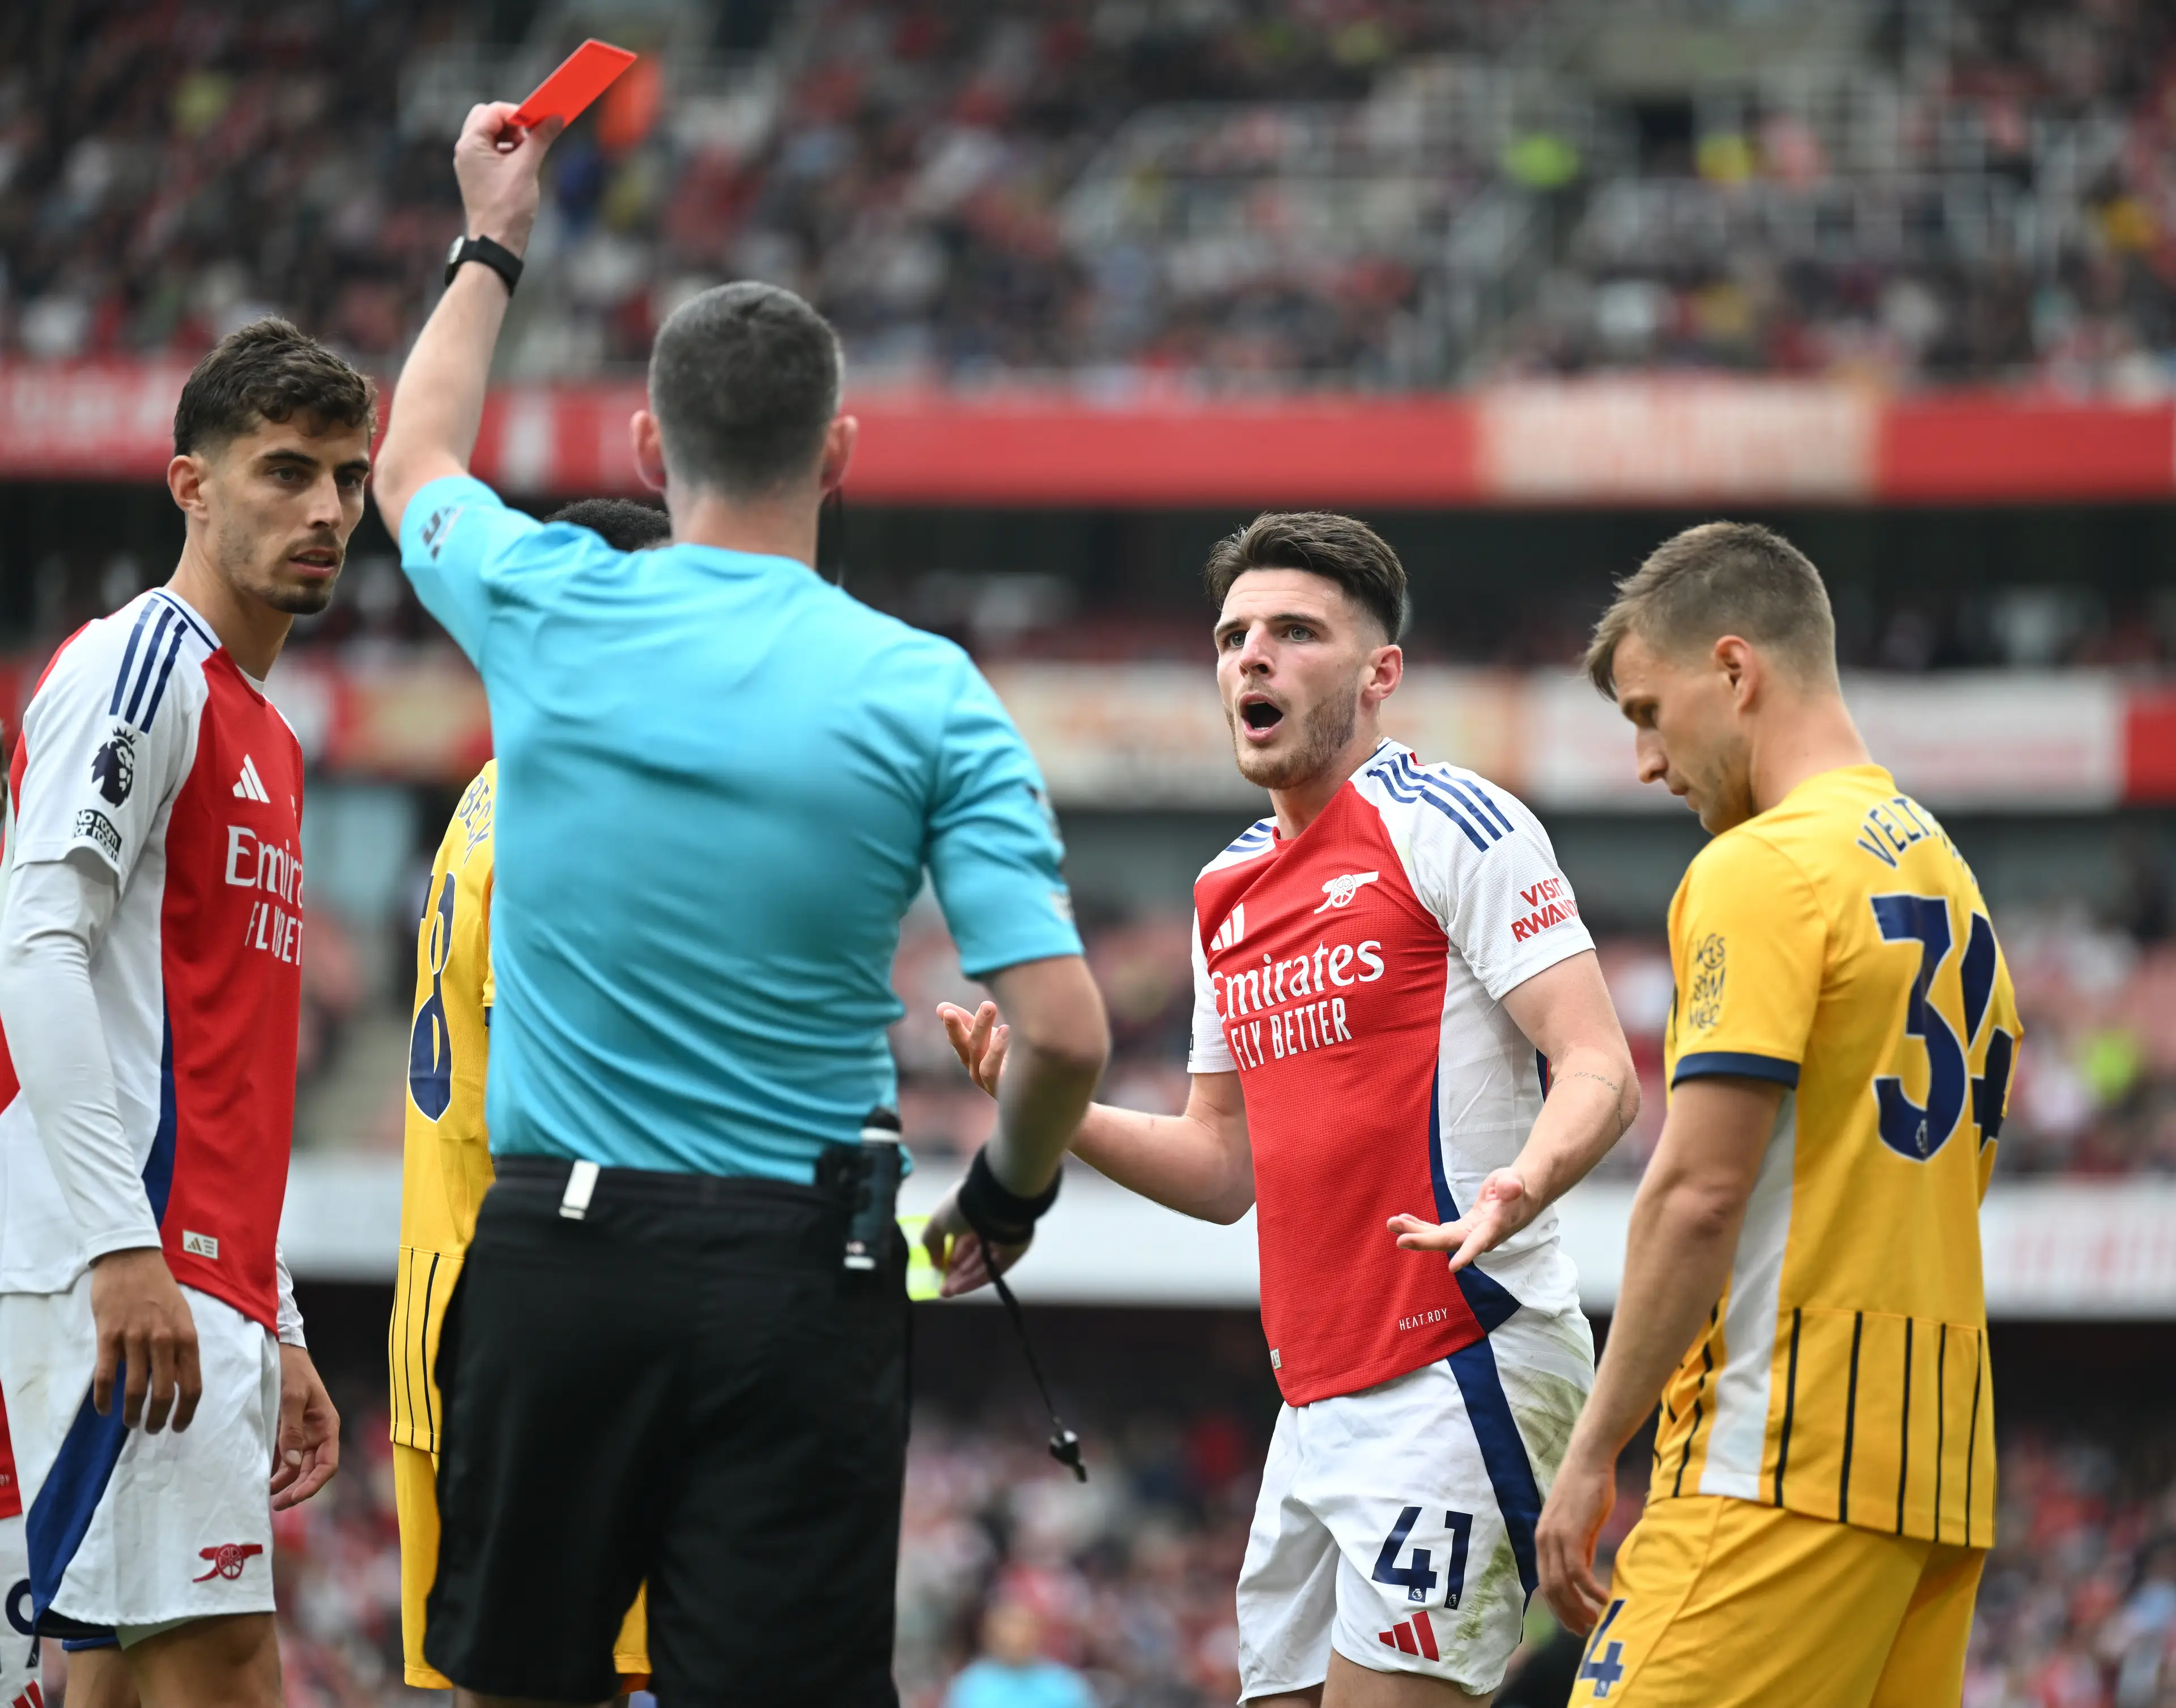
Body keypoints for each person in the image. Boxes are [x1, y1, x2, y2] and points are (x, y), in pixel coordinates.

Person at [371, 103, 1108, 1706]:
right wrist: (1004, 1201)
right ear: (841, 451)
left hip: (560, 1254)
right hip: (809, 1271)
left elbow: (411, 455)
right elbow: (1060, 1026)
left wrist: (494, 233)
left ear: (646, 451)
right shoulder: (932, 692)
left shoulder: (551, 605)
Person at [941, 512, 1640, 1705]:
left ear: (1381, 675)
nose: (1251, 657)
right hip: (1314, 1396)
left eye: (1295, 632)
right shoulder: (1226, 887)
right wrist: (1042, 1102)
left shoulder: (1452, 823)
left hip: (1461, 1356)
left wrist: (1520, 1182)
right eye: (1233, 635)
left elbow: (1601, 1069)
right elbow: (1221, 1167)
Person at [1541, 523, 2021, 1707]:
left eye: (1649, 711)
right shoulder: (1946, 876)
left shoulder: (1764, 866)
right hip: (1936, 1478)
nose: (1648, 760)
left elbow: (1700, 1194)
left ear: (1737, 670)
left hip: (1779, 1460)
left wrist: (1593, 1450)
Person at [0, 318, 356, 1706]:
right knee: (217, 1675)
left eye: (345, 475)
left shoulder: (264, 720)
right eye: (283, 471)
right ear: (188, 485)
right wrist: (121, 1244)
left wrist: (281, 1318)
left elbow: (221, 1056)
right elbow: (37, 949)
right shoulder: (143, 663)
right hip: (128, 1271)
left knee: (111, 1683)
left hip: (195, 1276)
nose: (324, 508)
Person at [390, 497, 670, 1698]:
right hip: (535, 1321)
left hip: (454, 1295)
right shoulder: (577, 803)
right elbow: (561, 1108)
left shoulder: (495, 784)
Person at [942, 1603, 1094, 1708]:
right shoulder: (970, 1686)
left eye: (1023, 1631)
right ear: (990, 1637)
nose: (1016, 1640)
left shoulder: (1064, 1684)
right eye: (1007, 1634)